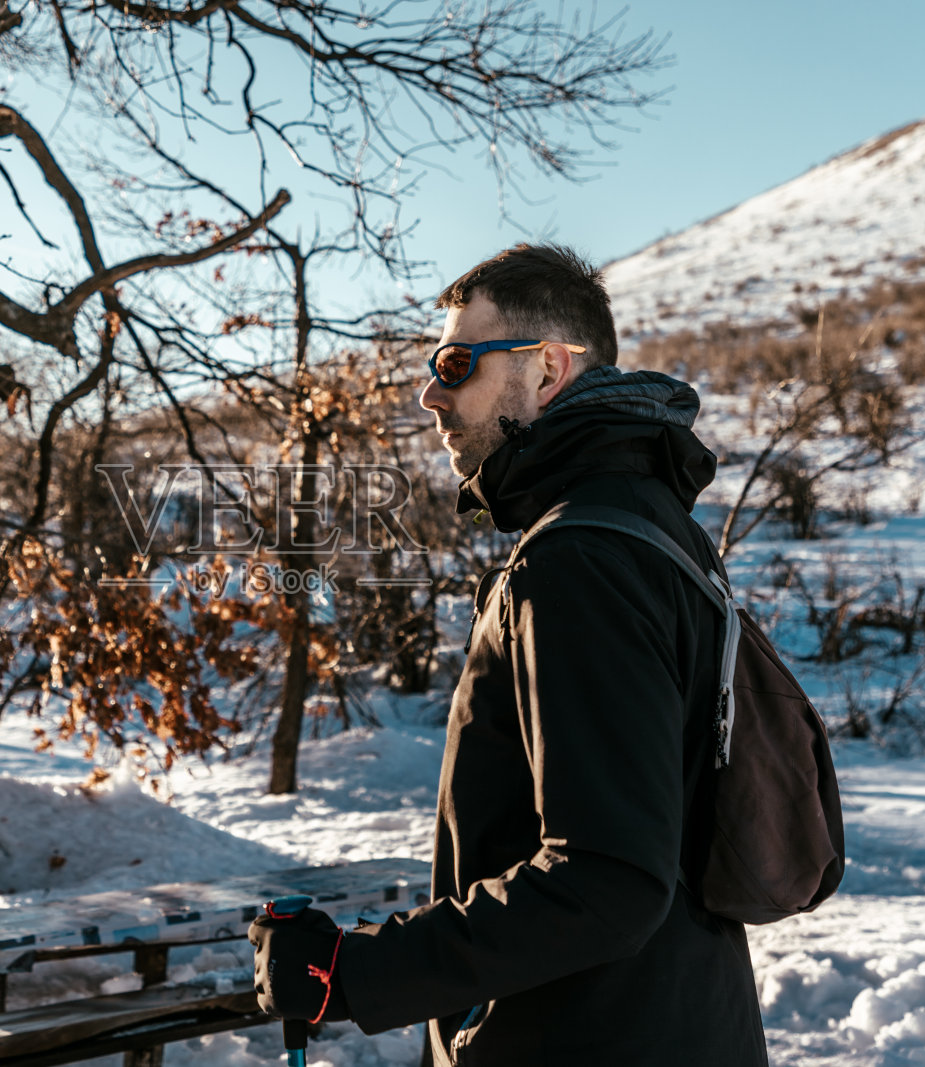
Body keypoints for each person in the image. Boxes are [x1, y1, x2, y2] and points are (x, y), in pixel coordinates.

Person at [250, 244, 769, 1064]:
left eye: (457, 363)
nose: (431, 393)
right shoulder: (652, 526)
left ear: (550, 369)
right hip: (673, 1021)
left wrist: (356, 969)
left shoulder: (580, 557)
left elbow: (610, 878)